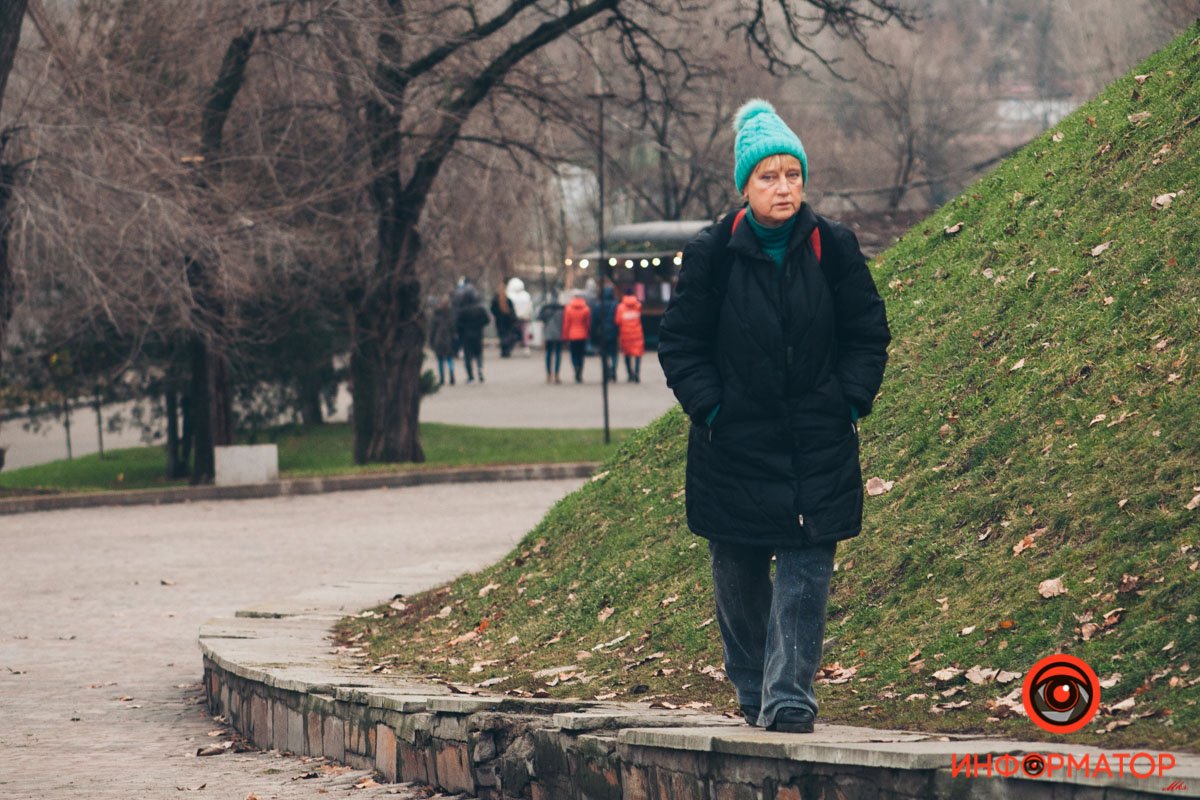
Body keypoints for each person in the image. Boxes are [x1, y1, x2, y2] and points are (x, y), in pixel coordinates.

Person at [657, 99, 890, 734]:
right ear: (745, 186)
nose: (783, 187)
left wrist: (848, 400)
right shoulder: (713, 253)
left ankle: (788, 698)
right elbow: (681, 342)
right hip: (732, 443)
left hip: (816, 440)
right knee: (738, 576)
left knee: (805, 573)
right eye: (768, 176)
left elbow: (867, 333)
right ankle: (753, 687)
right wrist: (712, 407)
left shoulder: (833, 246)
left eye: (792, 174)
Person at [454, 284, 490, 383]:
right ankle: (479, 369)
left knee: (468, 356)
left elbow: (457, 324)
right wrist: (479, 325)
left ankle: (470, 376)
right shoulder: (479, 309)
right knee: (478, 354)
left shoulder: (463, 311)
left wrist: (460, 332)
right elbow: (487, 320)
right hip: (478, 335)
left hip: (466, 336)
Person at [560, 291, 592, 383]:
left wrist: (565, 336)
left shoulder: (568, 308)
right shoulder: (586, 309)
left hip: (572, 335)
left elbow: (566, 324)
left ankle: (576, 368)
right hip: (582, 335)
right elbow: (587, 323)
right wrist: (588, 333)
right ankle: (580, 372)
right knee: (581, 355)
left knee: (574, 354)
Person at [615, 289, 645, 383]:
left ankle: (630, 374)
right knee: (637, 354)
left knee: (627, 354)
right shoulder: (638, 305)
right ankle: (637, 373)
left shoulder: (620, 307)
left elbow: (618, 321)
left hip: (625, 334)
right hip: (637, 333)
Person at [590, 285, 619, 381]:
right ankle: (614, 369)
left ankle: (606, 371)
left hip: (602, 333)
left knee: (604, 353)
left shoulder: (599, 305)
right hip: (613, 332)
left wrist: (593, 333)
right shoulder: (616, 304)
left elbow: (594, 320)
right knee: (614, 353)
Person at [428, 292, 458, 386]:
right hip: (448, 340)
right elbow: (453, 329)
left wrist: (431, 342)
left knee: (440, 360)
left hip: (439, 340)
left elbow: (432, 330)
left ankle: (442, 378)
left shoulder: (436, 315)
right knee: (449, 359)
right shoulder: (451, 314)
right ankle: (451, 376)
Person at [538, 291, 566, 383]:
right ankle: (557, 374)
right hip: (558, 334)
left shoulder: (545, 308)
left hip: (548, 334)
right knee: (558, 354)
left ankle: (549, 374)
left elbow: (539, 318)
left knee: (548, 354)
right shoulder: (562, 309)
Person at [491, 280, 519, 358]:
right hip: (507, 320)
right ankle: (506, 351)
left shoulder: (495, 299)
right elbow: (512, 310)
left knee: (502, 336)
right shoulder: (508, 299)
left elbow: (492, 309)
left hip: (500, 321)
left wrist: (497, 315)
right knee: (507, 335)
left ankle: (504, 351)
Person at [507, 277, 534, 356]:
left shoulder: (510, 295)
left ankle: (512, 347)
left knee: (513, 332)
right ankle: (526, 347)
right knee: (525, 333)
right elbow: (530, 307)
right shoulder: (526, 295)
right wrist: (528, 315)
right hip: (525, 317)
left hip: (514, 318)